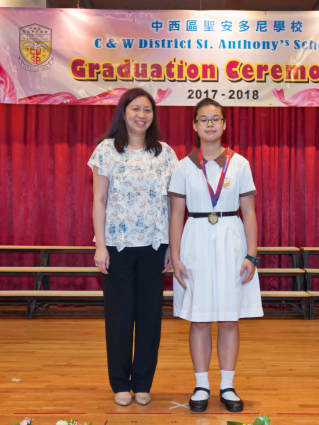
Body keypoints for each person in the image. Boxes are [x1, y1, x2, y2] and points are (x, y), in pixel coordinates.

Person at [168, 98, 263, 413]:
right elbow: (176, 215)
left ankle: (227, 385)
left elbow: (249, 212)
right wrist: (176, 258)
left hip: (230, 243)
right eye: (203, 119)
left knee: (228, 319)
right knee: (198, 319)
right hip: (195, 243)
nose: (210, 124)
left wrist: (251, 255)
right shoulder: (183, 166)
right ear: (194, 125)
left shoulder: (240, 164)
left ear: (224, 124)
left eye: (216, 119)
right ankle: (201, 385)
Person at [88, 88, 178, 406]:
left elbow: (174, 204)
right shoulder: (106, 150)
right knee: (119, 317)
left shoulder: (165, 153)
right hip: (118, 246)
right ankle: (120, 383)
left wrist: (172, 246)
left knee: (150, 317)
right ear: (123, 113)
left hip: (154, 246)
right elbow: (99, 200)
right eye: (135, 109)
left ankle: (142, 383)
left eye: (147, 110)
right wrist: (100, 246)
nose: (142, 115)